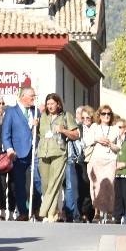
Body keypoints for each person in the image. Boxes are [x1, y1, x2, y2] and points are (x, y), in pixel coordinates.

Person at [35, 94, 79, 222]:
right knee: (45, 184)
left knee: (54, 183)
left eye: (52, 103)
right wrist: (34, 125)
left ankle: (43, 210)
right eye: (48, 104)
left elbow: (76, 134)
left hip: (59, 152)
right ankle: (52, 212)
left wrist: (63, 130)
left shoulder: (66, 116)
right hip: (43, 152)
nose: (50, 106)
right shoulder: (42, 117)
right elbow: (38, 133)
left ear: (58, 104)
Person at [2, 86, 39, 220]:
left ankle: (37, 209)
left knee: (37, 181)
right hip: (18, 154)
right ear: (23, 96)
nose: (34, 99)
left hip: (34, 152)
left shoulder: (36, 112)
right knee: (20, 183)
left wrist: (36, 125)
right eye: (32, 96)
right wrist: (9, 149)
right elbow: (6, 134)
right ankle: (23, 211)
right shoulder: (11, 112)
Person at [87, 105, 122, 222]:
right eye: (104, 114)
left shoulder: (115, 129)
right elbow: (86, 141)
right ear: (99, 115)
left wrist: (110, 144)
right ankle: (97, 212)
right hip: (97, 159)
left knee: (110, 186)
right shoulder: (94, 127)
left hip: (110, 160)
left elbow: (118, 148)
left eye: (109, 114)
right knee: (96, 185)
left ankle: (110, 213)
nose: (106, 116)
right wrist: (98, 139)